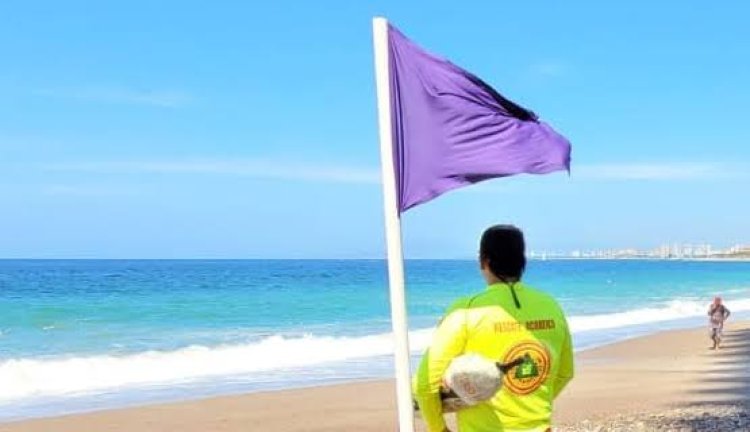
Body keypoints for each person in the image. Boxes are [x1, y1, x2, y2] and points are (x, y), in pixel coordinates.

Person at [414, 225, 574, 432]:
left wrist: (438, 428)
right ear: (521, 262)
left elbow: (425, 383)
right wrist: (527, 401)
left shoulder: (466, 310)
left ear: (484, 261)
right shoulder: (551, 306)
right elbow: (565, 373)